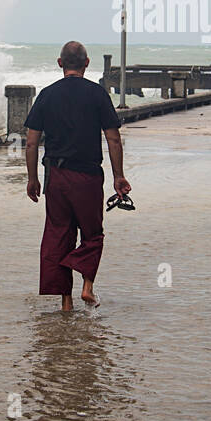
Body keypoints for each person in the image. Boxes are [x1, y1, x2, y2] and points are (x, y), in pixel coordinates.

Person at [24, 41, 131, 311]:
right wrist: (119, 176)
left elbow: (31, 143)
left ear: (60, 63)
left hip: (56, 176)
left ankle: (66, 302)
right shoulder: (97, 94)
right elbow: (113, 139)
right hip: (88, 176)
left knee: (59, 233)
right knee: (92, 234)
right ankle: (87, 287)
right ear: (86, 63)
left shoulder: (47, 95)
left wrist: (32, 178)